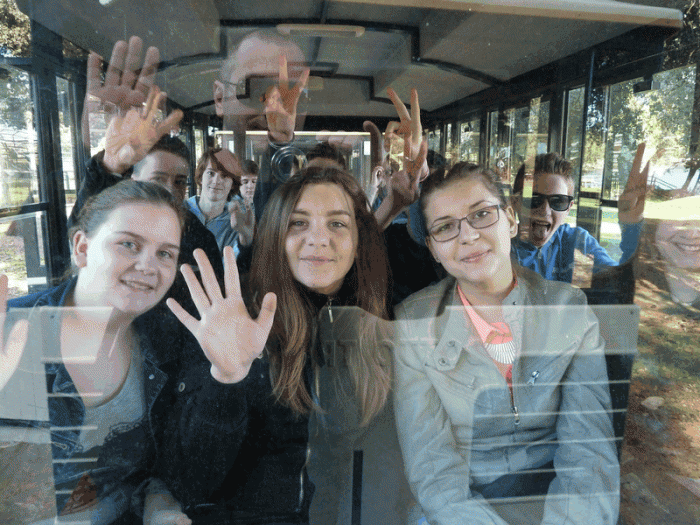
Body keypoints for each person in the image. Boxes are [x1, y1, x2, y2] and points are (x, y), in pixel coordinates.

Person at [159, 166, 412, 525]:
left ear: (359, 241)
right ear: (275, 234)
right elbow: (192, 483)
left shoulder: (381, 322)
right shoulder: (233, 317)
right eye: (298, 223)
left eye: (337, 224)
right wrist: (225, 380)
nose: (318, 239)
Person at [392, 162, 619, 524]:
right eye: (446, 227)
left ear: (511, 220)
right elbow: (432, 465)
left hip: (550, 493)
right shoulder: (414, 324)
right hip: (460, 505)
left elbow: (589, 454)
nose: (468, 236)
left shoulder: (568, 310)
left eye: (481, 214)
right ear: (433, 248)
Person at [1, 181, 190, 524]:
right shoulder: (10, 335)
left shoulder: (166, 341)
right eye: (129, 244)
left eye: (165, 253)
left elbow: (153, 466)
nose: (148, 266)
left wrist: (160, 505)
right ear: (82, 248)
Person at [71, 39, 224, 312]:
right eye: (158, 179)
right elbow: (86, 228)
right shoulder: (107, 228)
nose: (170, 189)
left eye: (180, 182)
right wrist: (109, 166)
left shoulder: (200, 241)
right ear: (134, 179)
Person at [511, 146, 649, 283]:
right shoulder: (503, 246)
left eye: (558, 202)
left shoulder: (576, 245)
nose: (545, 210)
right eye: (534, 200)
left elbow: (620, 284)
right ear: (515, 202)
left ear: (568, 208)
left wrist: (632, 226)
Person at [185, 147, 243, 256]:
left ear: (233, 184)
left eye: (224, 176)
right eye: (211, 173)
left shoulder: (235, 224)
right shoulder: (181, 210)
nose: (216, 181)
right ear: (201, 177)